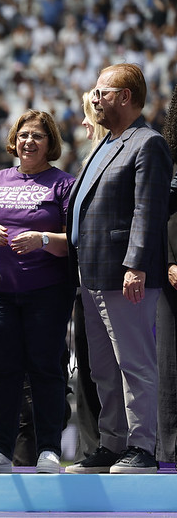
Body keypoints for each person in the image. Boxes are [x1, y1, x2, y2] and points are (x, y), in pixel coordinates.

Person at [65, 63, 172, 474]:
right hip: (90, 273)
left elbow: (149, 208)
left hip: (124, 274)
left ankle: (142, 448)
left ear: (125, 97)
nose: (95, 99)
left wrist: (136, 265)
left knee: (134, 363)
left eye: (102, 93)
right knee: (102, 369)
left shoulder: (147, 144)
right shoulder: (105, 144)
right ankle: (112, 444)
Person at [0, 110, 75, 474]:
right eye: (23, 135)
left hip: (47, 293)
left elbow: (74, 243)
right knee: (3, 372)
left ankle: (49, 449)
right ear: (13, 140)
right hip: (0, 293)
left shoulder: (63, 184)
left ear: (50, 143)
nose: (28, 141)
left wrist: (44, 239)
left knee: (47, 370)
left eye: (37, 135)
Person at [71, 91, 107, 463]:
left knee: (108, 368)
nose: (84, 123)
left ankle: (110, 443)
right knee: (88, 367)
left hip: (105, 277)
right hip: (82, 279)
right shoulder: (89, 160)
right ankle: (92, 447)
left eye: (87, 116)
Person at [156, 84, 177, 465]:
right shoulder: (167, 155)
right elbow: (159, 215)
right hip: (172, 275)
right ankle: (170, 452)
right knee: (169, 366)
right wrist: (170, 261)